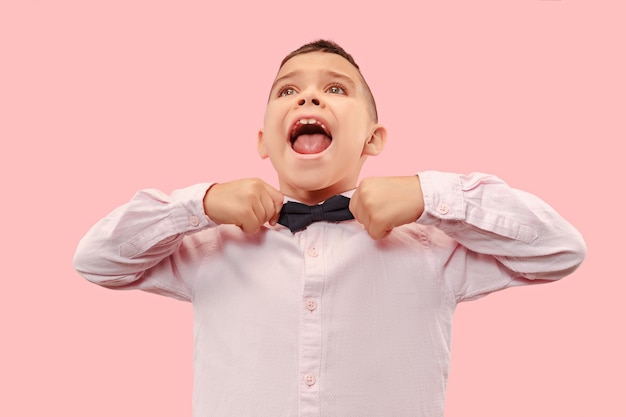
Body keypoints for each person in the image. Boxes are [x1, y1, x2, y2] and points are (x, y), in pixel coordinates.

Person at [73, 39, 586, 417]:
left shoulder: (432, 247)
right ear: (263, 142)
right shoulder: (210, 247)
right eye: (288, 91)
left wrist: (431, 195)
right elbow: (96, 259)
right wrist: (200, 203)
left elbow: (560, 250)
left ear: (373, 138)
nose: (308, 99)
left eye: (334, 89)